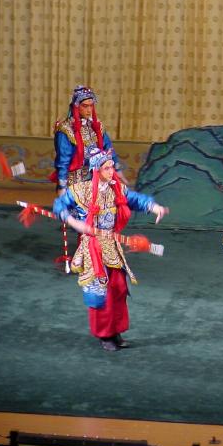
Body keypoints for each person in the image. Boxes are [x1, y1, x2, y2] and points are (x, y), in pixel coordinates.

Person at [53, 148, 168, 351]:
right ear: (97, 170)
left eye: (112, 167)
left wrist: (153, 206)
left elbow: (135, 199)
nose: (111, 170)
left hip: (112, 246)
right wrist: (74, 222)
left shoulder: (116, 189)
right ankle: (104, 335)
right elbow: (59, 205)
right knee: (100, 292)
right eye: (107, 168)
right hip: (93, 248)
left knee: (119, 289)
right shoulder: (80, 190)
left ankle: (116, 330)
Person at [51, 85, 123, 195]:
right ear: (76, 106)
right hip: (75, 182)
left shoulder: (96, 126)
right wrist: (62, 186)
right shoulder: (66, 130)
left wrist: (117, 169)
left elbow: (108, 149)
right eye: (85, 106)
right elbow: (63, 161)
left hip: (96, 179)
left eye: (91, 106)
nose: (89, 110)